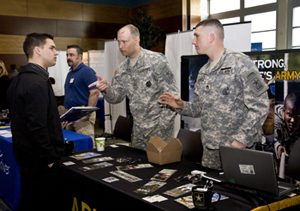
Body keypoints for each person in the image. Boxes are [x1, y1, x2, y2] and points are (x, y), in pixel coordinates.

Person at [159, 19, 269, 170]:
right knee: (211, 190)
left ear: (211, 37)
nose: (193, 41)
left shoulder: (241, 63)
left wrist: (241, 140)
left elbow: (260, 106)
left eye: (197, 36)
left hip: (237, 149)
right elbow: (199, 109)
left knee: (238, 192)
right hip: (210, 151)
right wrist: (181, 105)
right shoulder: (203, 71)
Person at [89, 24, 178, 150]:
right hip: (138, 133)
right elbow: (116, 98)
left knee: (159, 168)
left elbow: (173, 96)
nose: (120, 46)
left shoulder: (156, 61)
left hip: (159, 133)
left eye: (124, 42)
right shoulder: (122, 69)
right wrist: (107, 88)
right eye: (119, 42)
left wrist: (162, 128)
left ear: (137, 40)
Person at [7, 33, 66, 210]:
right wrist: (49, 158)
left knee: (31, 200)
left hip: (27, 158)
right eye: (52, 48)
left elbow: (28, 119)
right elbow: (36, 126)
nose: (56, 52)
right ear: (37, 50)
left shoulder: (18, 80)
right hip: (40, 161)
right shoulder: (37, 83)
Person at [64, 45, 100, 147]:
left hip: (82, 115)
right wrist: (67, 115)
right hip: (71, 116)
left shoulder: (87, 71)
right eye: (67, 55)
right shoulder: (70, 73)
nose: (68, 58)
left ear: (80, 56)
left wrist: (87, 113)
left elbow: (95, 92)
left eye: (71, 55)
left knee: (85, 146)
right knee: (73, 146)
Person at [274, 92, 300, 160]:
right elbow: (272, 139)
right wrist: (278, 146)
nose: (293, 120)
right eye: (290, 115)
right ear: (283, 111)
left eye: (297, 115)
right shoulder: (274, 119)